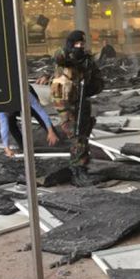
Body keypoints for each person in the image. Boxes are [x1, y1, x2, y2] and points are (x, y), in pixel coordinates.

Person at [39, 30, 104, 185]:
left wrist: (91, 87)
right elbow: (59, 57)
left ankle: (80, 166)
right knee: (76, 135)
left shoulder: (87, 61)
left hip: (81, 99)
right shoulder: (65, 58)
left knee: (84, 132)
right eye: (77, 44)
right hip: (65, 103)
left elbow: (98, 80)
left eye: (82, 44)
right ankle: (78, 169)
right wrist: (71, 52)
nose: (80, 47)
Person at [0, 85, 58, 157]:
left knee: (36, 113)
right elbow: (4, 127)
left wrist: (51, 131)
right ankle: (23, 146)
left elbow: (40, 111)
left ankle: (54, 136)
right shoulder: (1, 107)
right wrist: (6, 148)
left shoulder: (26, 94)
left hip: (25, 96)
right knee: (10, 123)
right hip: (9, 101)